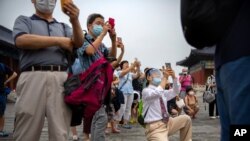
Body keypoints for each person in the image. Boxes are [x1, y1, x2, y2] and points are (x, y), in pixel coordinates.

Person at [12, 0, 84, 140]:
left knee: (60, 131)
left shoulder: (64, 26)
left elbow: (78, 42)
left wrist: (75, 20)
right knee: (26, 129)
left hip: (61, 77)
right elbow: (21, 40)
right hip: (32, 76)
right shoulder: (25, 20)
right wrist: (59, 41)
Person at [76, 13, 117, 141]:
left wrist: (113, 39)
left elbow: (112, 58)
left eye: (103, 24)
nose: (101, 26)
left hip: (100, 87)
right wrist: (103, 34)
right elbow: (90, 51)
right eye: (98, 23)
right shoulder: (82, 39)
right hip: (89, 86)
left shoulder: (101, 45)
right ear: (89, 26)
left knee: (96, 119)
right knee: (101, 118)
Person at [142, 68, 192, 141]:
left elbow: (176, 91)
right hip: (155, 127)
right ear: (148, 77)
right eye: (156, 75)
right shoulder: (146, 91)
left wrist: (174, 77)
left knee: (186, 119)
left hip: (168, 122)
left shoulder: (163, 92)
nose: (159, 77)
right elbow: (157, 93)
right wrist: (165, 77)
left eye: (160, 75)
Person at [113, 60, 140, 129]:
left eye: (128, 64)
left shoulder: (130, 74)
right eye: (125, 64)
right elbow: (124, 73)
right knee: (122, 108)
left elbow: (137, 75)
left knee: (128, 108)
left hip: (130, 92)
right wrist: (132, 65)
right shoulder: (119, 72)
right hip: (123, 92)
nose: (127, 65)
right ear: (121, 65)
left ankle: (125, 122)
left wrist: (138, 67)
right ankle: (116, 123)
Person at [0, 63, 17, 137]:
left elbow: (14, 74)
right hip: (1, 92)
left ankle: (1, 130)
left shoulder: (2, 66)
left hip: (1, 91)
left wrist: (6, 82)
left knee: (1, 112)